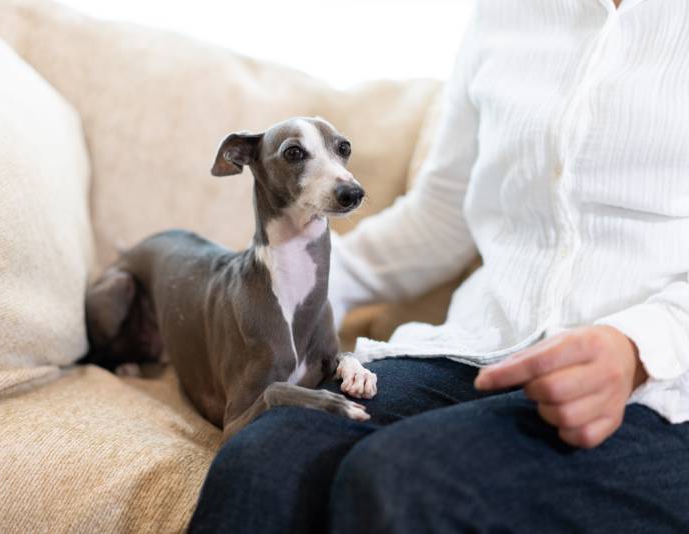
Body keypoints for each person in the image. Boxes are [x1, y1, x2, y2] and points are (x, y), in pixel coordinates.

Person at [189, 0, 689, 532]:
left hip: (665, 388)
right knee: (267, 454)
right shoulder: (506, 13)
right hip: (484, 349)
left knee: (401, 478)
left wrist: (639, 346)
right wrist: (262, 285)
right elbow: (443, 215)